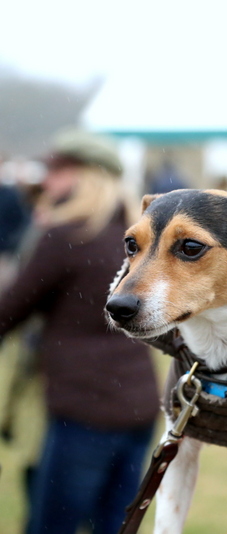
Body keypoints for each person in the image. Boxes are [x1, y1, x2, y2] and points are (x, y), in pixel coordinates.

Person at [0, 129, 160, 534]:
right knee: (115, 524)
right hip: (140, 402)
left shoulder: (66, 237)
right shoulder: (137, 241)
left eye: (58, 170)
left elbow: (9, 311)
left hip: (83, 410)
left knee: (52, 525)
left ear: (86, 176)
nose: (47, 180)